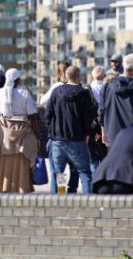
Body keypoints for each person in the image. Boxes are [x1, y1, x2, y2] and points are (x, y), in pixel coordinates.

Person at [45, 66, 96, 194]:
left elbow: (47, 115)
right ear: (79, 76)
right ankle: (88, 202)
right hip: (78, 140)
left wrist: (53, 132)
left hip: (58, 140)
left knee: (59, 174)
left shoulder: (57, 91)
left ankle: (60, 200)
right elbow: (88, 118)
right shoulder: (84, 93)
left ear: (66, 76)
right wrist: (87, 134)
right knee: (84, 172)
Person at [0, 68, 40, 193]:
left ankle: (4, 187)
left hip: (4, 133)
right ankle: (22, 188)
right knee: (22, 161)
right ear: (18, 79)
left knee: (4, 160)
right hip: (23, 132)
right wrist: (38, 135)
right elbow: (32, 115)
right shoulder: (24, 93)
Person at [98, 54, 133, 145]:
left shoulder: (107, 86)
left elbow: (101, 111)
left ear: (123, 66)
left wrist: (103, 131)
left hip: (112, 137)